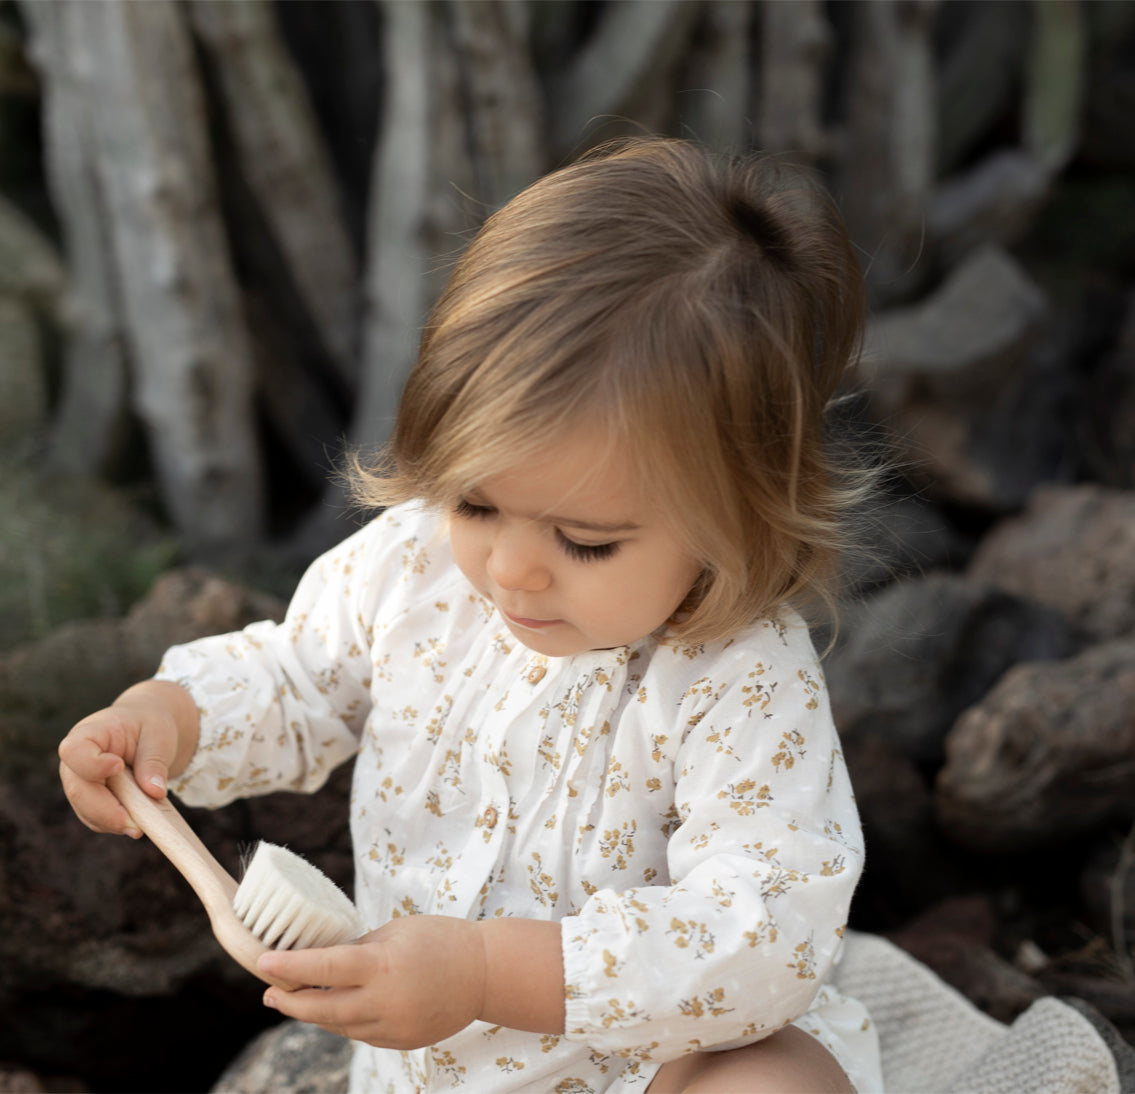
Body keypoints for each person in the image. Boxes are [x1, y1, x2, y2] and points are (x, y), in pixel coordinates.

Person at [58, 138, 883, 1093]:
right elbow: (295, 681)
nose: (511, 571)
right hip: (433, 1067)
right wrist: (169, 720)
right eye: (475, 504)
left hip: (645, 1061)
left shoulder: (739, 676)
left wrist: (488, 971)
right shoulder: (410, 569)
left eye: (584, 541)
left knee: (772, 1081)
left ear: (735, 517)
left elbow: (764, 933)